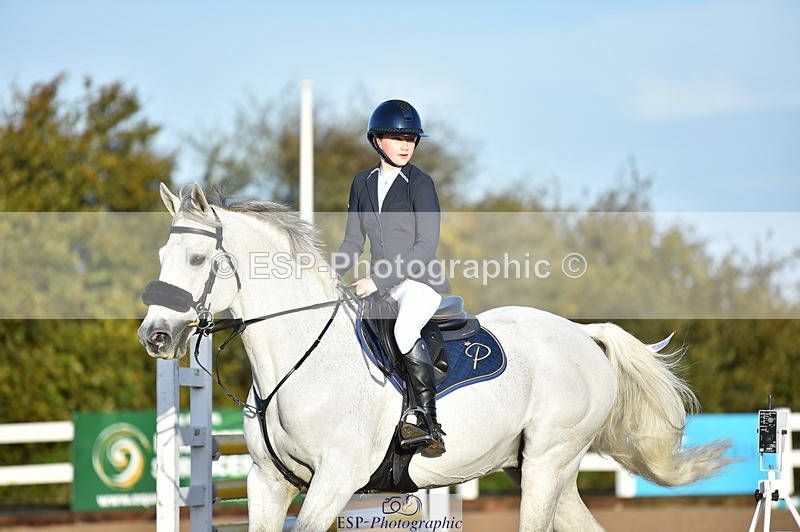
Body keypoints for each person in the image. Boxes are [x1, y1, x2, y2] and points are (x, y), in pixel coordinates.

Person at [334, 99, 451, 456]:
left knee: (403, 330)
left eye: (411, 139)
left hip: (419, 282)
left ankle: (427, 421)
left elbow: (425, 246)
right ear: (376, 141)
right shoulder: (362, 183)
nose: (405, 145)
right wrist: (329, 274)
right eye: (397, 137)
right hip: (380, 286)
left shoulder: (421, 183)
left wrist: (379, 279)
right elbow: (354, 240)